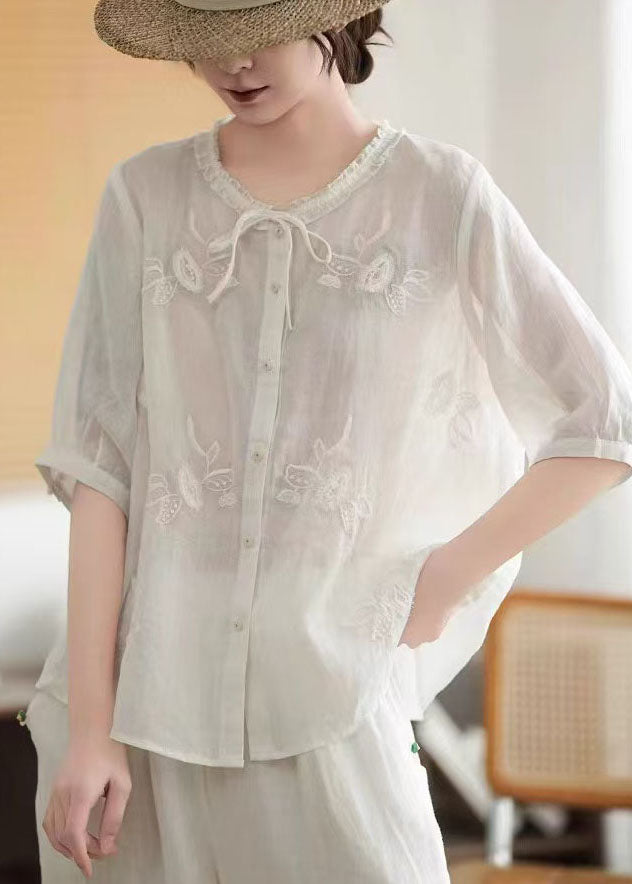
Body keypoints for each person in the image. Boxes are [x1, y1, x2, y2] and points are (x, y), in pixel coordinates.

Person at [21, 0, 632, 881]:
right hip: (139, 708)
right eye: (209, 41)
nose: (233, 64)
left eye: (259, 30)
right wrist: (89, 729)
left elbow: (604, 420)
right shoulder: (144, 196)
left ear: (336, 17)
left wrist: (440, 579)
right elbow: (99, 466)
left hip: (332, 695)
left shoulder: (438, 194)